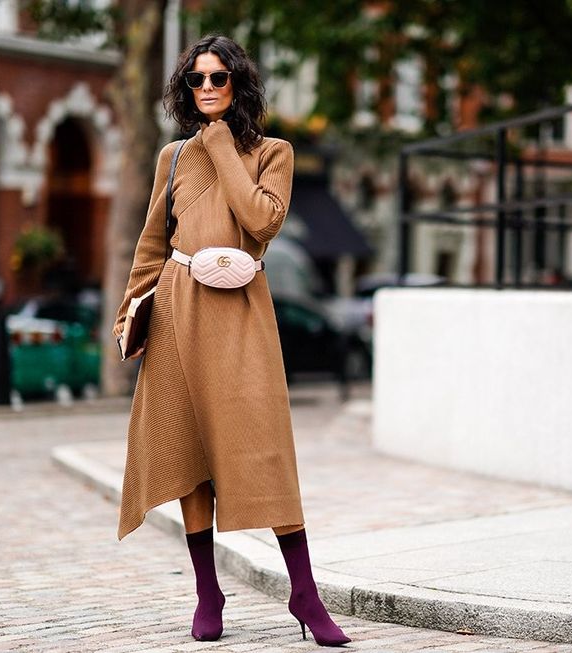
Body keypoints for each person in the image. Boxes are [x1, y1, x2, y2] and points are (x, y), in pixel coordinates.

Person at [112, 34, 351, 647]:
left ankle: (304, 592)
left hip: (242, 310)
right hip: (177, 307)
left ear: (238, 84)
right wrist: (131, 309)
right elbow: (151, 242)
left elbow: (262, 220)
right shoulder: (172, 157)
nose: (207, 88)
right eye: (196, 79)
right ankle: (207, 592)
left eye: (219, 77)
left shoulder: (274, 153)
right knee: (188, 450)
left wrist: (220, 145)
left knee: (264, 447)